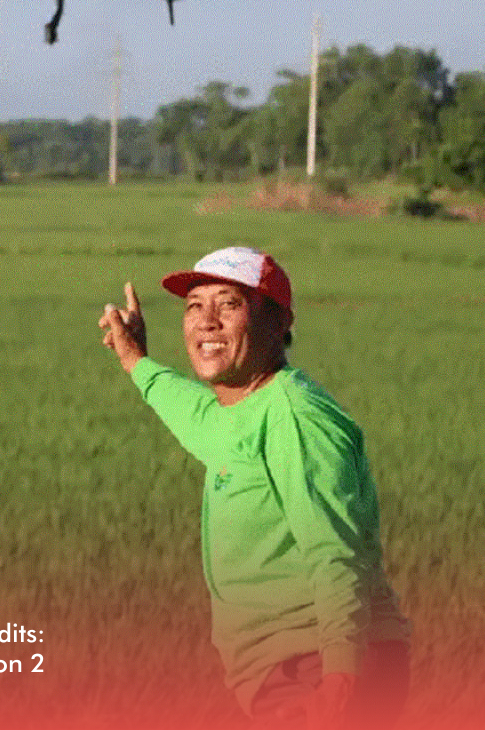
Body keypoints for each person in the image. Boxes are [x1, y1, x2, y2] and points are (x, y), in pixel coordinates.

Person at [98, 246, 411, 729]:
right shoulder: (240, 412)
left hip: (315, 668)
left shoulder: (294, 417)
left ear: (278, 323)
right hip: (288, 671)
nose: (207, 322)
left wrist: (341, 682)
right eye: (194, 306)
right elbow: (194, 414)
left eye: (229, 305)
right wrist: (135, 360)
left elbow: (335, 552)